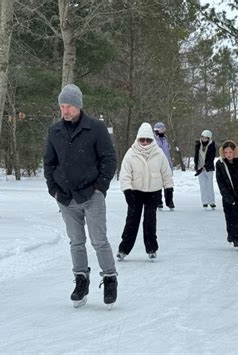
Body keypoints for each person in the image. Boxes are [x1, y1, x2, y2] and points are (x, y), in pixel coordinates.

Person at [43, 84, 118, 309]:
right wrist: (53, 189)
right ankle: (81, 281)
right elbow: (49, 163)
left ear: (79, 106)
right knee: (76, 242)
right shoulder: (54, 131)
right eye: (62, 106)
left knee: (99, 241)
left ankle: (110, 279)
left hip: (91, 194)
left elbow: (109, 159)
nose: (65, 110)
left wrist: (100, 187)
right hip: (66, 197)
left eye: (69, 106)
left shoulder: (95, 128)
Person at [117, 122, 174, 261]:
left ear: (152, 140)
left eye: (148, 139)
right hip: (135, 192)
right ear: (137, 139)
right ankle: (124, 249)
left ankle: (151, 248)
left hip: (153, 192)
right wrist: (127, 191)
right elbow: (125, 174)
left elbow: (166, 173)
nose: (145, 142)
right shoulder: (131, 153)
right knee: (132, 221)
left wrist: (168, 190)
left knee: (150, 221)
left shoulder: (158, 153)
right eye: (142, 139)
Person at [153, 122, 175, 210]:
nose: (163, 130)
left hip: (167, 164)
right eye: (162, 129)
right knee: (158, 184)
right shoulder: (153, 140)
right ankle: (158, 202)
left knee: (168, 184)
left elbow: (168, 152)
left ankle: (170, 202)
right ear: (157, 130)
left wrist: (170, 164)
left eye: (164, 129)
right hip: (157, 165)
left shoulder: (166, 139)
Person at [194, 129, 216, 209]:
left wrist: (205, 167)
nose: (203, 139)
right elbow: (196, 156)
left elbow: (211, 158)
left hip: (208, 168)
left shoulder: (212, 146)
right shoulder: (198, 144)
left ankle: (212, 202)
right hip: (200, 167)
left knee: (209, 185)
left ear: (209, 138)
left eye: (205, 138)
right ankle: (205, 202)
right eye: (202, 137)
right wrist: (197, 166)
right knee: (202, 185)